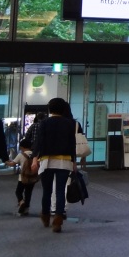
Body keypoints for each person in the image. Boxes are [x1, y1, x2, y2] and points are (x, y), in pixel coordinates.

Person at [31, 97, 78, 233]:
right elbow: (72, 144)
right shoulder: (70, 123)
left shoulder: (44, 123)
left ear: (49, 109)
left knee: (47, 190)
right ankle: (58, 220)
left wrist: (34, 159)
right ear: (63, 109)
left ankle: (45, 216)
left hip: (47, 161)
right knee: (60, 190)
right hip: (65, 161)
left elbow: (39, 142)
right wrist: (74, 162)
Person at [13, 138, 38, 216]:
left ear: (22, 147)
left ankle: (21, 202)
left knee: (18, 191)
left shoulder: (21, 155)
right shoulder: (34, 154)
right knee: (28, 193)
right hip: (32, 177)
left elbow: (13, 163)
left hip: (23, 178)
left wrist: (6, 162)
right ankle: (26, 209)